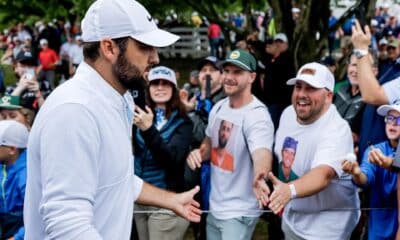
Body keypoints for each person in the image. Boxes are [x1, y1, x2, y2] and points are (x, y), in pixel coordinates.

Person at [23, 1, 201, 239]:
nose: (155, 58)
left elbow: (117, 177)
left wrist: (170, 200)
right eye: (145, 46)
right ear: (109, 47)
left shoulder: (120, 100)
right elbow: (67, 225)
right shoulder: (74, 111)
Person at [187, 49, 274, 240]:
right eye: (226, 71)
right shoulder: (219, 107)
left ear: (252, 77)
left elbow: (262, 152)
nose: (229, 77)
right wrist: (199, 154)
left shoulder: (257, 115)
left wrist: (260, 176)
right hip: (215, 206)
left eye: (237, 72)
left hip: (239, 212)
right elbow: (209, 144)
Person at [269, 62, 360, 239]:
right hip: (293, 220)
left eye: (311, 88)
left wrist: (289, 190)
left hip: (327, 229)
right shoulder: (288, 114)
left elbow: (323, 175)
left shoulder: (337, 130)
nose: (301, 94)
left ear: (328, 96)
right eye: (298, 87)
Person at [133, 66, 193, 240]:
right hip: (140, 198)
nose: (160, 87)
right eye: (155, 83)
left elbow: (172, 161)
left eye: (166, 84)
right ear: (148, 88)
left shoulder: (183, 122)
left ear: (174, 89)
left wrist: (149, 129)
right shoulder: (137, 116)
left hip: (167, 201)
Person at [342, 100, 400, 240]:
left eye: (398, 119)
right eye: (390, 118)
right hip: (379, 228)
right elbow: (365, 178)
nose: (392, 123)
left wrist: (390, 163)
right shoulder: (375, 150)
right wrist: (357, 173)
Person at [0, 120, 29, 240]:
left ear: (12, 149)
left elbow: (37, 217)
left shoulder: (26, 175)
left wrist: (17, 238)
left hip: (23, 227)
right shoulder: (4, 164)